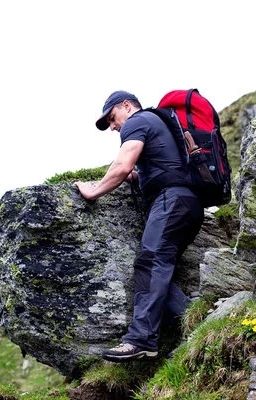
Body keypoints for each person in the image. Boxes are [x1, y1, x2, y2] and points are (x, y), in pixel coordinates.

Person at [75, 90, 205, 362]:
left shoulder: (137, 121)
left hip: (172, 201)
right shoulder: (158, 123)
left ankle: (140, 340)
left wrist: (94, 191)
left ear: (126, 106)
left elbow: (122, 165)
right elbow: (153, 164)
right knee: (158, 270)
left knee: (150, 263)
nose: (113, 127)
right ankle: (200, 326)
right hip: (188, 205)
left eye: (112, 118)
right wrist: (141, 176)